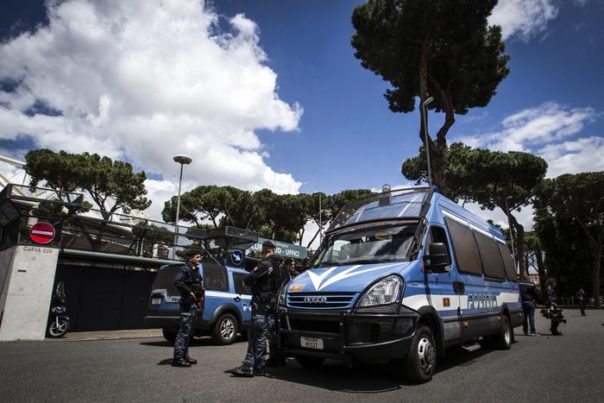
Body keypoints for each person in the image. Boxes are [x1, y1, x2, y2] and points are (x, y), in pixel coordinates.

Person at [231, 240, 280, 377]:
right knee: (262, 335)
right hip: (269, 304)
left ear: (266, 249)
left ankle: (248, 366)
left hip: (261, 303)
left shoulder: (265, 264)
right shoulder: (276, 266)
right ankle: (259, 366)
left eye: (263, 249)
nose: (261, 251)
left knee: (255, 335)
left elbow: (248, 279)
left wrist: (254, 276)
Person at [172, 249, 204, 367]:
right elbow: (178, 282)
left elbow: (198, 285)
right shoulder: (185, 269)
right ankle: (178, 358)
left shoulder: (195, 270)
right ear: (191, 258)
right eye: (197, 257)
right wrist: (189, 292)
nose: (199, 259)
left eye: (200, 257)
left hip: (194, 304)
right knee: (184, 331)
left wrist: (199, 297)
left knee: (189, 331)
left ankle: (185, 356)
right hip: (187, 304)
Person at [266, 257, 297, 368]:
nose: (293, 267)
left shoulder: (291, 275)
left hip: (282, 309)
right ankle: (276, 358)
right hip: (278, 308)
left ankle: (278, 358)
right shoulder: (284, 275)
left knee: (277, 334)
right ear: (286, 265)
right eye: (292, 265)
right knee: (274, 333)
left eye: (294, 265)